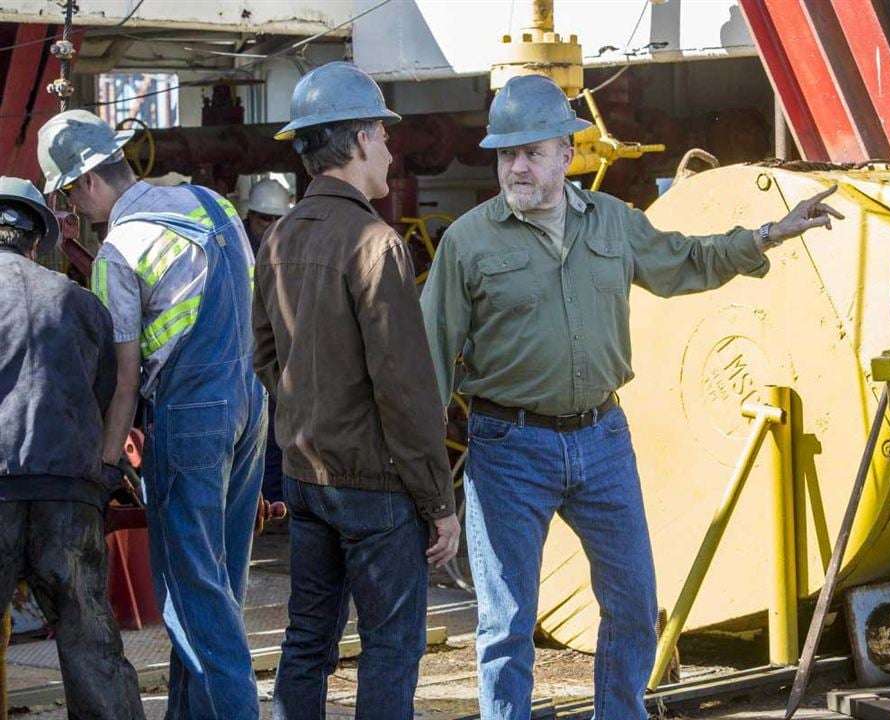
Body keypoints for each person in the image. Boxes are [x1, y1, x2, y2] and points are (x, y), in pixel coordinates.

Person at [420, 73, 843, 720]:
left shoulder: (613, 224)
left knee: (635, 605)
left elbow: (687, 261)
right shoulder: (468, 243)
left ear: (567, 152)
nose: (517, 167)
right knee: (506, 624)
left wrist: (768, 235)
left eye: (532, 151)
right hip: (509, 449)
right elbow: (430, 363)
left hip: (601, 440)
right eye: (507, 154)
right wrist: (428, 488)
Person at [37, 109, 267, 719]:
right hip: (249, 404)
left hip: (192, 416)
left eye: (69, 195)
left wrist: (106, 466)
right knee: (219, 588)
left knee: (192, 596)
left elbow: (125, 383)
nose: (76, 211)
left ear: (86, 181)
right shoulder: (210, 206)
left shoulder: (118, 251)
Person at [255, 61, 460, 720]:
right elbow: (405, 389)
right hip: (375, 487)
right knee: (392, 647)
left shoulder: (280, 236)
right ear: (362, 138)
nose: (392, 149)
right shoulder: (375, 243)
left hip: (308, 477)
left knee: (307, 640)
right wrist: (439, 500)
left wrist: (303, 415)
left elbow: (264, 355)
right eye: (385, 134)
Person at [0, 176, 144, 719]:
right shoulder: (79, 302)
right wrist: (103, 476)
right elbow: (110, 396)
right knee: (90, 638)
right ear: (38, 240)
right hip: (69, 493)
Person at [244, 178, 291, 503]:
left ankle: (276, 504)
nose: (270, 226)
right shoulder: (238, 250)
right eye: (264, 219)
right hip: (243, 358)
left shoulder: (293, 249)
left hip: (279, 357)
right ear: (250, 217)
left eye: (276, 219)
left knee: (277, 435)